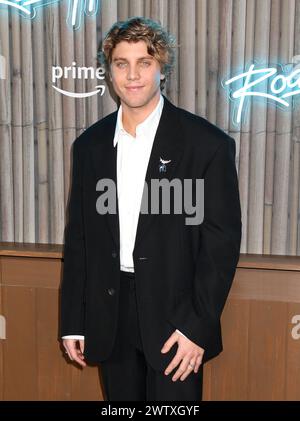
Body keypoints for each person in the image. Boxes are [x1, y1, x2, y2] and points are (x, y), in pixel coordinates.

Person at [60, 16, 242, 401]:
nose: (133, 75)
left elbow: (220, 246)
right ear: (109, 72)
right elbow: (79, 241)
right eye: (121, 63)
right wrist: (73, 321)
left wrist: (197, 327)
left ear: (162, 69)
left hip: (178, 319)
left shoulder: (206, 145)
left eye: (144, 62)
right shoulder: (90, 146)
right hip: (111, 316)